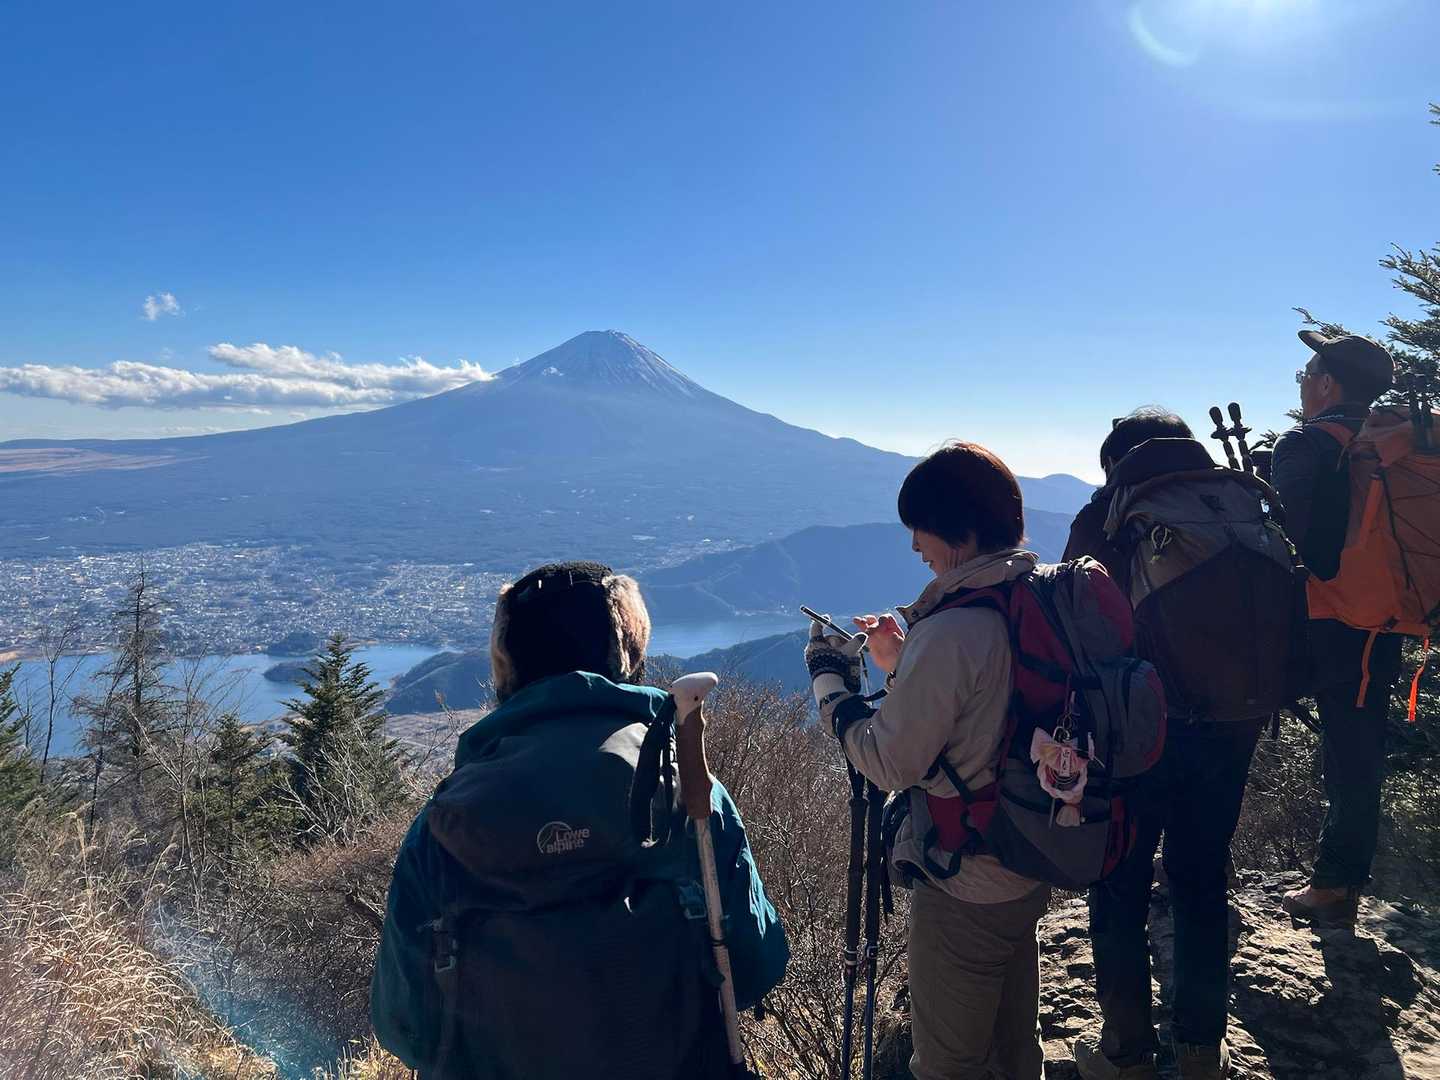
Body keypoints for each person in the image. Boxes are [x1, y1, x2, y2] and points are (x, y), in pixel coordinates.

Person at [371, 561, 788, 1080]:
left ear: (507, 666)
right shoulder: (688, 792)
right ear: (629, 653)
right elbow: (754, 964)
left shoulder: (444, 823)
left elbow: (403, 1024)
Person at [805, 441, 1051, 1080]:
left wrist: (831, 686)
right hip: (1031, 854)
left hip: (968, 879)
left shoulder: (952, 632)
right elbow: (983, 709)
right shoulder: (1030, 594)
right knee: (1015, 1047)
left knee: (948, 1062)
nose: (916, 546)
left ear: (961, 532)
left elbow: (890, 763)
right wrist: (904, 664)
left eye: (923, 530)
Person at [1065, 408, 1287, 1080]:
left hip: (1140, 731)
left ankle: (1128, 1055)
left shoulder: (1109, 515)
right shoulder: (1237, 501)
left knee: (1120, 883)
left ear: (1116, 462)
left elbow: (1074, 624)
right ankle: (1199, 1052)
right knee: (1200, 879)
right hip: (1233, 725)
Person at [1272, 330, 1402, 926]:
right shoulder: (1389, 444)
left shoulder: (1307, 444)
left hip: (1327, 622)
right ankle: (1338, 884)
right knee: (1357, 751)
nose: (1302, 383)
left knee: (1345, 756)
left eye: (1306, 373)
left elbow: (1304, 549)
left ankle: (1334, 888)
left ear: (1327, 384)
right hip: (1383, 620)